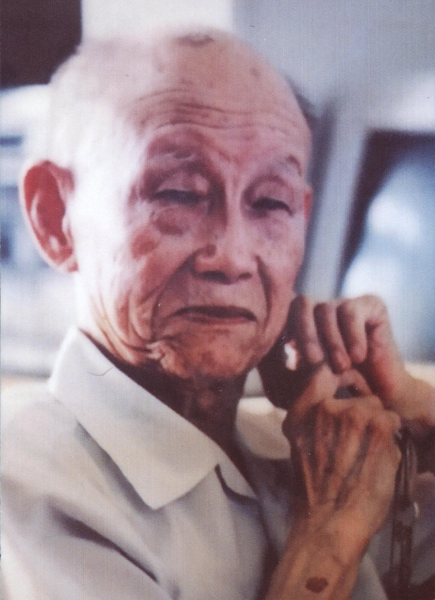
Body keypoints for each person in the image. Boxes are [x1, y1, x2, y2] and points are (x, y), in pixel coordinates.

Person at [2, 29, 434, 600]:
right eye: (179, 194)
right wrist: (329, 538)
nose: (232, 257)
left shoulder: (308, 449)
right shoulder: (30, 483)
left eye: (271, 202)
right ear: (55, 217)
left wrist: (412, 405)